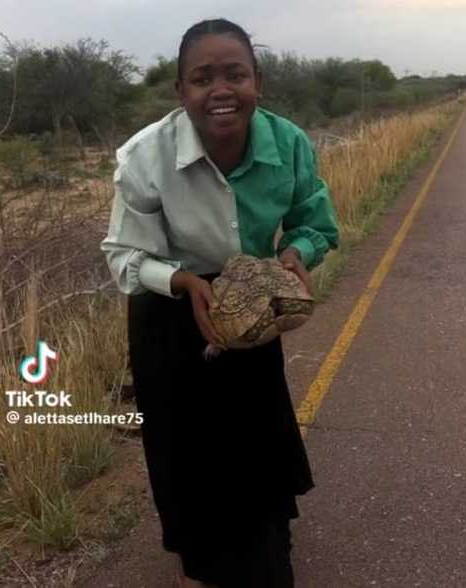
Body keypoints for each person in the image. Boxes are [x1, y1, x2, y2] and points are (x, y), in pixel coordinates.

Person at [101, 18, 339, 587]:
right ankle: (203, 557)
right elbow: (123, 256)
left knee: (257, 429)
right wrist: (184, 282)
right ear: (180, 92)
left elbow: (317, 224)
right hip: (168, 304)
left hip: (251, 303)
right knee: (183, 444)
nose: (220, 90)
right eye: (202, 78)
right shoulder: (145, 156)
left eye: (235, 74)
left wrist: (294, 254)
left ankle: (267, 540)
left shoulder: (289, 143)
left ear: (257, 80)